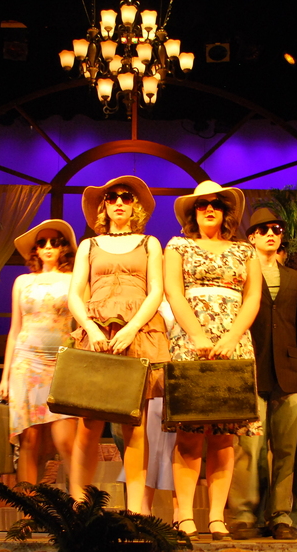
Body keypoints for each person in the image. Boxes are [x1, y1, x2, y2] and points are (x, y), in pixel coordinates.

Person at [164, 180, 262, 540]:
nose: (209, 209)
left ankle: (217, 517)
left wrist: (232, 337)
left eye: (216, 204)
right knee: (190, 433)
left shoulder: (245, 251)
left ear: (225, 213)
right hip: (191, 343)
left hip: (234, 344)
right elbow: (173, 292)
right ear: (193, 213)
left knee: (223, 436)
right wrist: (197, 335)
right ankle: (186, 517)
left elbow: (252, 298)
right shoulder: (178, 246)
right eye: (202, 204)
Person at [67, 175, 169, 513]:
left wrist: (132, 328)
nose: (119, 202)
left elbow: (156, 290)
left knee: (133, 425)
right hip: (97, 333)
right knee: (89, 424)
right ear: (104, 206)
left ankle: (137, 511)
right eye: (112, 197)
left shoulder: (150, 243)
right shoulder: (89, 246)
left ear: (134, 205)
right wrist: (91, 329)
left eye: (126, 197)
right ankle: (79, 505)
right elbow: (74, 294)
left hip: (137, 334)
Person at [229, 207, 297, 540]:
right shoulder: (240, 277)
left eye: (277, 229)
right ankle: (245, 515)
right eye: (264, 229)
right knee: (250, 448)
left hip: (289, 372)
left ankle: (282, 516)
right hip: (252, 370)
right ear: (252, 237)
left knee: (286, 449)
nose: (271, 234)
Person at [0, 219, 79, 485]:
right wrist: (5, 377)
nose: (48, 247)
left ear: (63, 247)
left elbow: (81, 325)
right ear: (35, 249)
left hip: (61, 364)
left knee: (66, 441)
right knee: (29, 440)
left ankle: (80, 504)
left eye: (55, 242)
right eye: (42, 242)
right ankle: (27, 507)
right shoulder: (22, 282)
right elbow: (14, 330)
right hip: (25, 362)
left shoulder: (73, 280)